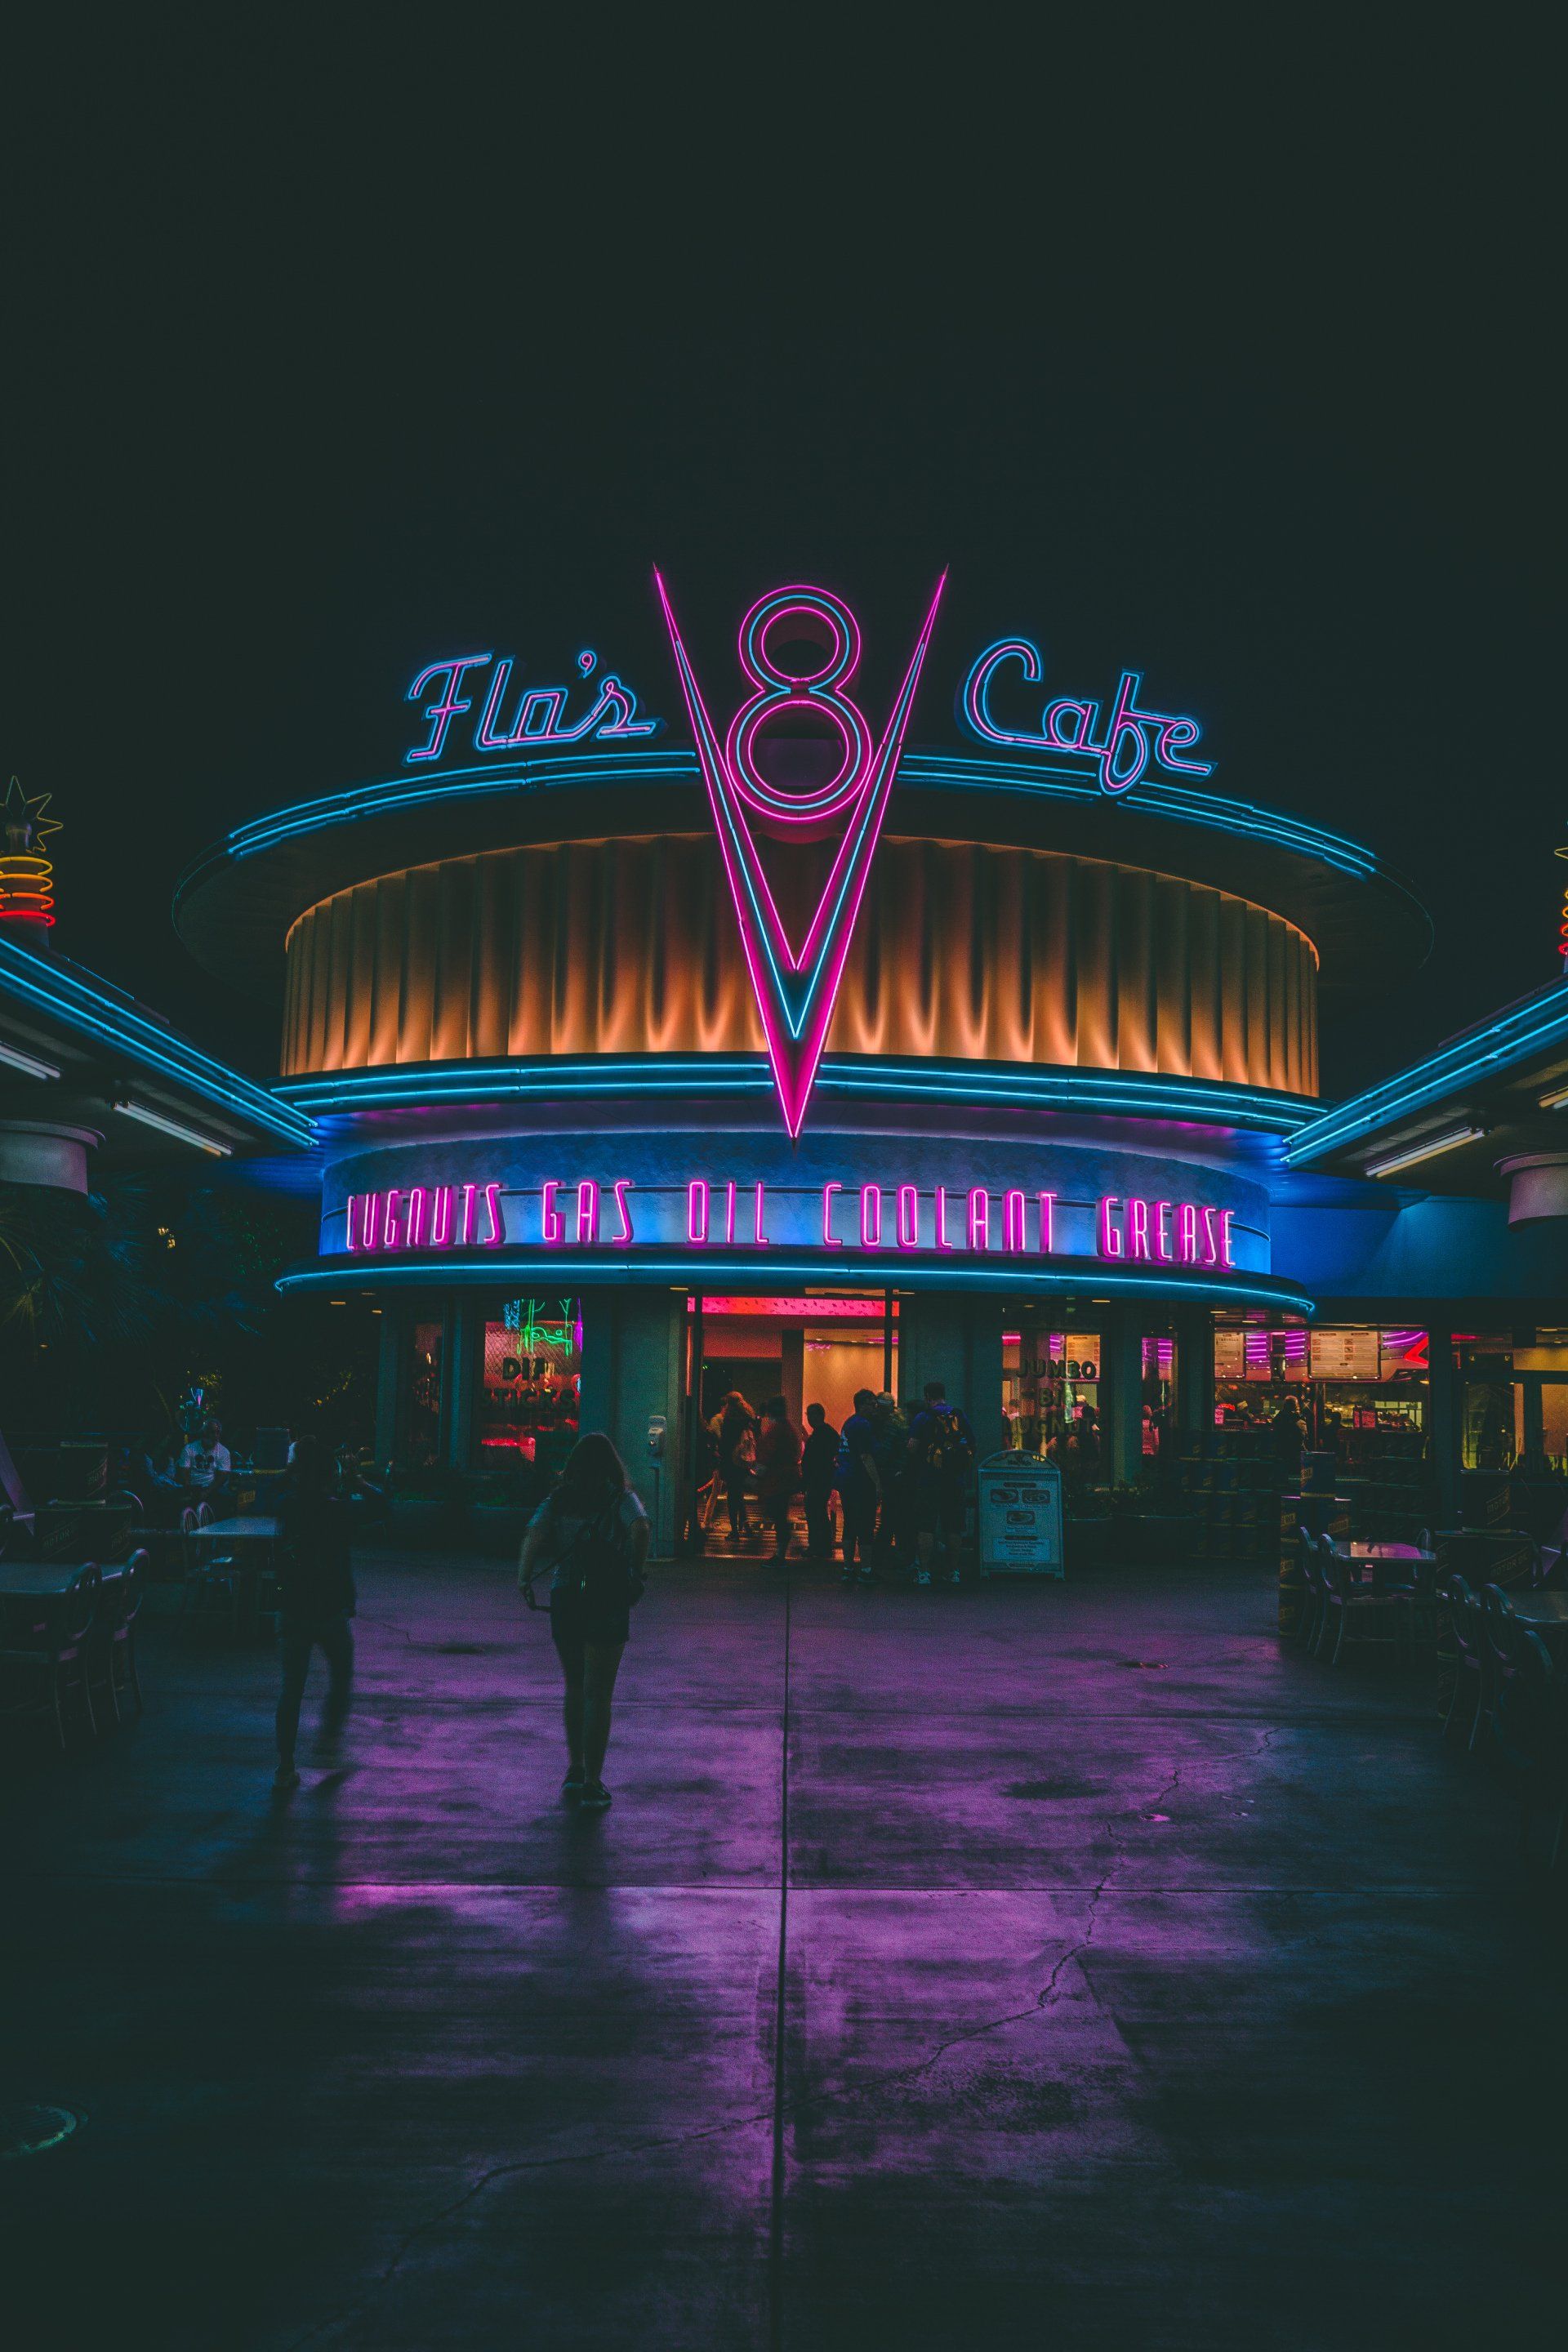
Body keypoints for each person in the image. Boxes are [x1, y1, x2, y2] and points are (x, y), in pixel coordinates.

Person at [518, 1432, 649, 1811]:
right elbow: (640, 1527)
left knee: (574, 1684)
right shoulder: (620, 1499)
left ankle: (574, 1768)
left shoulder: (560, 1498)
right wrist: (636, 1574)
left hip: (566, 1597)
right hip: (606, 1597)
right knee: (599, 1692)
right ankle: (594, 1781)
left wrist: (525, 1577)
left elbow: (534, 1531)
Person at [273, 1435, 356, 1790]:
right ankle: (327, 1741)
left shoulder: (287, 1505)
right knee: (341, 1674)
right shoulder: (337, 1509)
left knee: (291, 1689)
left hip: (292, 1606)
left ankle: (286, 1768)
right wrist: (359, 1483)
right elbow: (382, 1507)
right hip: (329, 1608)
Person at [908, 1379, 977, 1586]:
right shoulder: (959, 1414)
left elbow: (912, 1447)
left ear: (927, 1397)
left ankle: (924, 1572)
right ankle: (954, 1571)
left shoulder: (923, 1417)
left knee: (926, 1526)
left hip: (929, 1479)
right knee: (954, 1527)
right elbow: (972, 1443)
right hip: (954, 1480)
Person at [835, 1388, 882, 1585]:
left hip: (846, 1480)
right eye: (872, 1404)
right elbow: (866, 1456)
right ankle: (866, 1568)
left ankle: (847, 1567)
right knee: (865, 1526)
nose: (874, 1408)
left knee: (850, 1525)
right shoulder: (864, 1425)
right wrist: (878, 1484)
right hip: (861, 1482)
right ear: (862, 1405)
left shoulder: (849, 1423)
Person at [753, 1396, 802, 1565]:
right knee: (780, 1514)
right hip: (787, 1477)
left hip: (777, 1479)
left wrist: (759, 1472)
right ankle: (783, 1549)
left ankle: (781, 1554)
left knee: (778, 1515)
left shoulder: (775, 1430)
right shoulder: (789, 1428)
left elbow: (767, 1454)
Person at [711, 1392, 758, 1541]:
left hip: (732, 1463)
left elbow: (725, 1444)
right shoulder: (748, 1420)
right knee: (739, 1494)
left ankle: (735, 1531)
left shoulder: (730, 1421)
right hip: (744, 1462)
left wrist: (721, 1458)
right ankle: (747, 1526)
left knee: (733, 1496)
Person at [800, 1403, 839, 1561]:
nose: (809, 1418)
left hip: (818, 1479)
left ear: (818, 1415)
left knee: (815, 1512)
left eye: (810, 1414)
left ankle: (817, 1545)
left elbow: (813, 1459)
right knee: (819, 1512)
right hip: (822, 1478)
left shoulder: (820, 1435)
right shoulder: (828, 1433)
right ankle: (823, 1545)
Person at [180, 1415, 231, 1503]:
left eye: (218, 1433)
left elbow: (222, 1476)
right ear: (204, 1433)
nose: (216, 1436)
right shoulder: (189, 1449)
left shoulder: (224, 1452)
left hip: (212, 1488)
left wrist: (207, 1491)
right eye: (212, 1432)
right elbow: (184, 1472)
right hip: (192, 1487)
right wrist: (188, 1488)